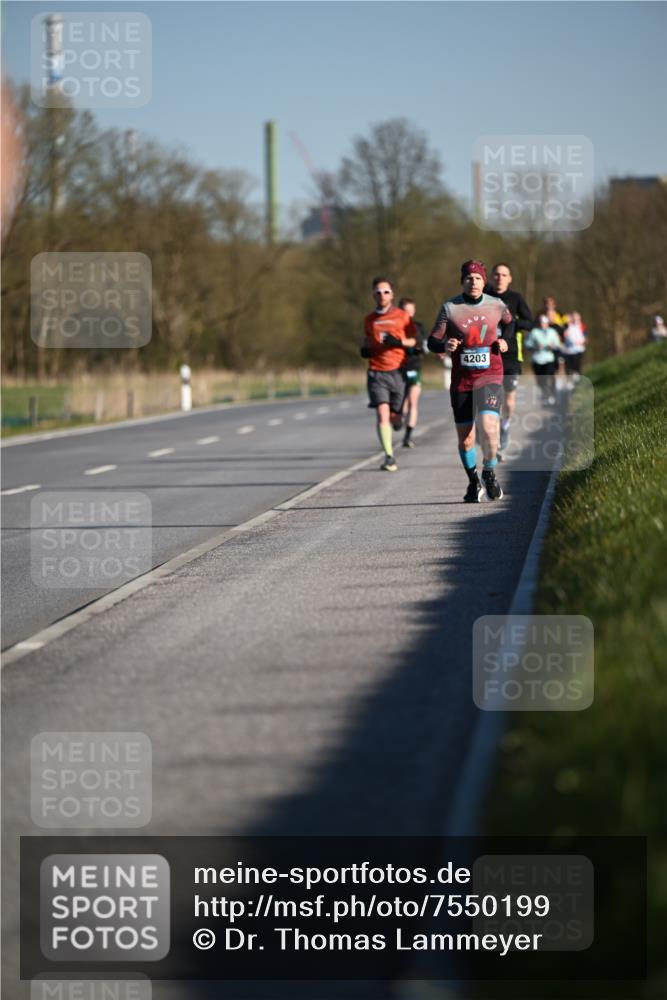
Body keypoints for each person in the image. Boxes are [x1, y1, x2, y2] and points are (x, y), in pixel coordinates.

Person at [427, 259, 511, 502]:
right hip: (462, 381)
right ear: (462, 281)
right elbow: (433, 340)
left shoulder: (497, 304)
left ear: (484, 282)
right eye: (468, 278)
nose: (473, 282)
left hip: (490, 376)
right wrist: (445, 344)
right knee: (466, 438)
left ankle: (490, 473)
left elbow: (509, 323)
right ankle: (474, 482)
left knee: (489, 427)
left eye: (477, 278)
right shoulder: (450, 308)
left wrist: (505, 340)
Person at [361, 277, 417, 471]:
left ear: (392, 294)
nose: (381, 295)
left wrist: (399, 343)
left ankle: (398, 419)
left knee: (395, 418)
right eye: (378, 292)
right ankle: (389, 456)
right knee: (381, 413)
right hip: (376, 372)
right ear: (373, 295)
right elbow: (367, 341)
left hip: (398, 371)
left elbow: (414, 341)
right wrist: (365, 349)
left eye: (385, 291)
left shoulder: (402, 316)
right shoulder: (369, 319)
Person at [486, 263, 533, 460]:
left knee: (509, 401)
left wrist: (512, 321)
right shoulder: (484, 295)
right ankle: (494, 444)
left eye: (504, 275)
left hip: (512, 354)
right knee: (493, 401)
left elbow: (530, 322)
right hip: (488, 354)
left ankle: (505, 426)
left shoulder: (515, 298)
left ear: (510, 278)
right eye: (496, 274)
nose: (499, 278)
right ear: (492, 277)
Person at [397, 297, 426, 448]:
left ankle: (408, 436)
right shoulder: (394, 326)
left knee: (413, 400)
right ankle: (399, 417)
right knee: (402, 403)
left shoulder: (418, 327)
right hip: (396, 368)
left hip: (414, 367)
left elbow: (423, 345)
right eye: (404, 311)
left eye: (410, 311)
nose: (407, 315)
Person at [524, 314, 562, 404]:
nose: (543, 324)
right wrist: (535, 346)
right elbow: (527, 344)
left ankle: (552, 394)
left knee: (549, 377)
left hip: (549, 358)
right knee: (540, 380)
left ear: (547, 323)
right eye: (541, 322)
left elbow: (558, 344)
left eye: (544, 323)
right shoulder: (534, 332)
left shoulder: (552, 332)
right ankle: (545, 394)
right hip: (537, 359)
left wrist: (552, 346)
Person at [562, 311, 587, 385]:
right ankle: (570, 382)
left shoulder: (576, 327)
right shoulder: (564, 329)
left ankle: (577, 380)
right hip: (567, 351)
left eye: (569, 319)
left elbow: (582, 337)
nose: (568, 321)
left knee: (576, 366)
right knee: (569, 368)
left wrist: (580, 342)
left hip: (577, 350)